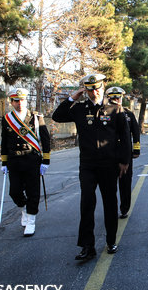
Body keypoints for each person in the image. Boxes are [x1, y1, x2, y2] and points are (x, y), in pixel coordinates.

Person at [51, 74, 131, 262]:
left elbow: (124, 136)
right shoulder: (79, 108)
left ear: (102, 87)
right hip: (87, 164)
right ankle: (87, 245)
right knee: (87, 203)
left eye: (96, 88)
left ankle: (111, 240)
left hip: (108, 164)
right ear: (84, 90)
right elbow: (57, 116)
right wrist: (72, 97)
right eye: (89, 89)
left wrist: (124, 160)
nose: (93, 92)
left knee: (110, 202)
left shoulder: (115, 108)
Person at [0, 88, 51, 237]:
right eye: (16, 100)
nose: (19, 103)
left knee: (33, 191)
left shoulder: (35, 117)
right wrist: (4, 162)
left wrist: (46, 161)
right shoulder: (7, 118)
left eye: (22, 100)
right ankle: (23, 209)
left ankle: (31, 220)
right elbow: (4, 141)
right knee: (14, 192)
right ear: (11, 102)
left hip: (31, 159)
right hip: (14, 160)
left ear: (26, 100)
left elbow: (46, 139)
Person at [105, 86, 141, 219]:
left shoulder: (128, 114)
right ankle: (112, 208)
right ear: (109, 98)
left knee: (125, 183)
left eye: (118, 97)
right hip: (110, 154)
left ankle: (124, 209)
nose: (116, 100)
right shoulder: (104, 113)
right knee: (110, 185)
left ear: (122, 98)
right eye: (113, 98)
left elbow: (135, 133)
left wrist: (136, 149)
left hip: (125, 153)